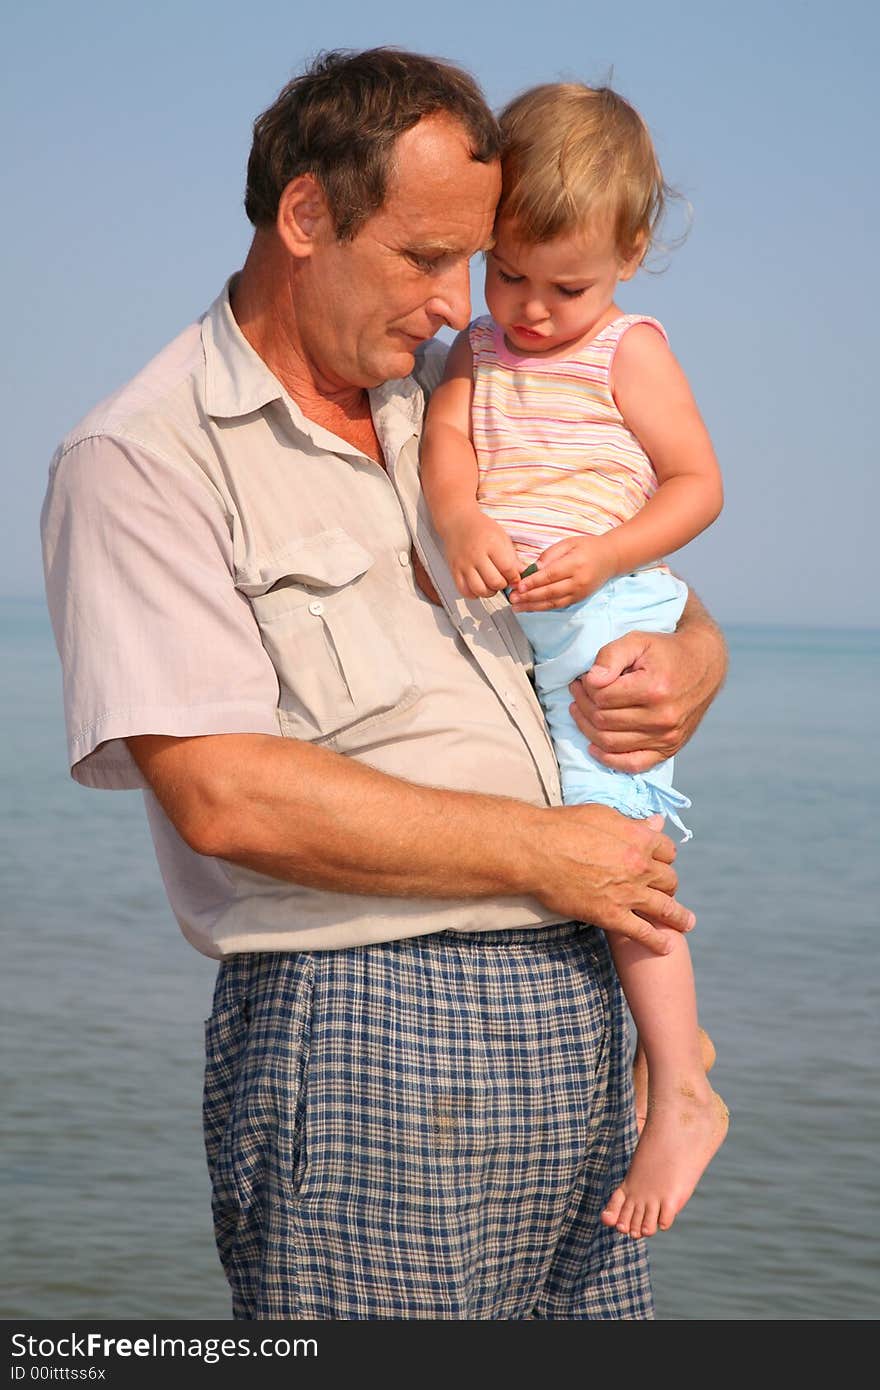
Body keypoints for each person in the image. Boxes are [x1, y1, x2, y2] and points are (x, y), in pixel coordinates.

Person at [40, 48, 727, 1320]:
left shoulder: (451, 388)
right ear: (306, 217)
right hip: (364, 1031)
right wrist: (554, 853)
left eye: (476, 260)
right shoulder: (140, 459)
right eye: (424, 258)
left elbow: (653, 590)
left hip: (579, 1002)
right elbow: (226, 799)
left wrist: (693, 662)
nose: (457, 299)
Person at [420, 81, 729, 1240]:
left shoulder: (626, 353)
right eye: (509, 277)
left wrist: (603, 555)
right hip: (523, 634)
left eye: (567, 286)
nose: (534, 312)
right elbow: (449, 457)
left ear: (630, 255)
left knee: (617, 845)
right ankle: (677, 1046)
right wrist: (457, 523)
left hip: (606, 617)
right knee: (569, 832)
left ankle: (684, 1092)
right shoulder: (471, 352)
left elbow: (696, 485)